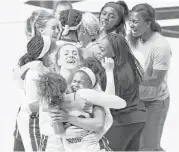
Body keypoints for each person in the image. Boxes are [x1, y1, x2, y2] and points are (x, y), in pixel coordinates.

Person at [13, 10, 59, 152]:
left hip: (42, 117)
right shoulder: (32, 62)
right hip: (33, 117)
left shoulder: (51, 54)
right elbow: (32, 102)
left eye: (59, 27)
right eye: (54, 28)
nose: (58, 31)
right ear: (41, 30)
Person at [128, 3, 172, 151]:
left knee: (149, 148)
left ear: (148, 23)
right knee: (139, 146)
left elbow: (156, 80)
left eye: (135, 22)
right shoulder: (133, 38)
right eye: (130, 21)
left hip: (155, 102)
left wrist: (131, 79)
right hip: (136, 100)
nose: (131, 25)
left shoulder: (160, 46)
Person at [94, 33, 147, 151]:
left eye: (101, 49)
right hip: (138, 118)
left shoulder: (115, 72)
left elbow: (110, 102)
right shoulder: (127, 62)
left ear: (114, 53)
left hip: (121, 122)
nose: (98, 51)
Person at [14, 35, 51, 152]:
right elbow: (33, 105)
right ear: (45, 53)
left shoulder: (43, 68)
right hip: (32, 121)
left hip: (40, 118)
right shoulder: (34, 73)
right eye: (51, 51)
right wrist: (55, 106)